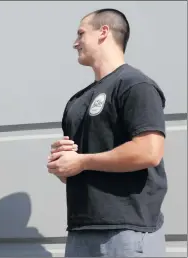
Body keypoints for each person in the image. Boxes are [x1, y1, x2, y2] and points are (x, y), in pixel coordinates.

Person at [47, 8, 167, 257]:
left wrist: (82, 161)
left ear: (103, 32)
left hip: (127, 232)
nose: (75, 42)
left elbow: (149, 152)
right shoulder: (77, 102)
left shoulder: (136, 85)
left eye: (81, 33)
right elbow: (77, 173)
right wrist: (63, 166)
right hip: (81, 231)